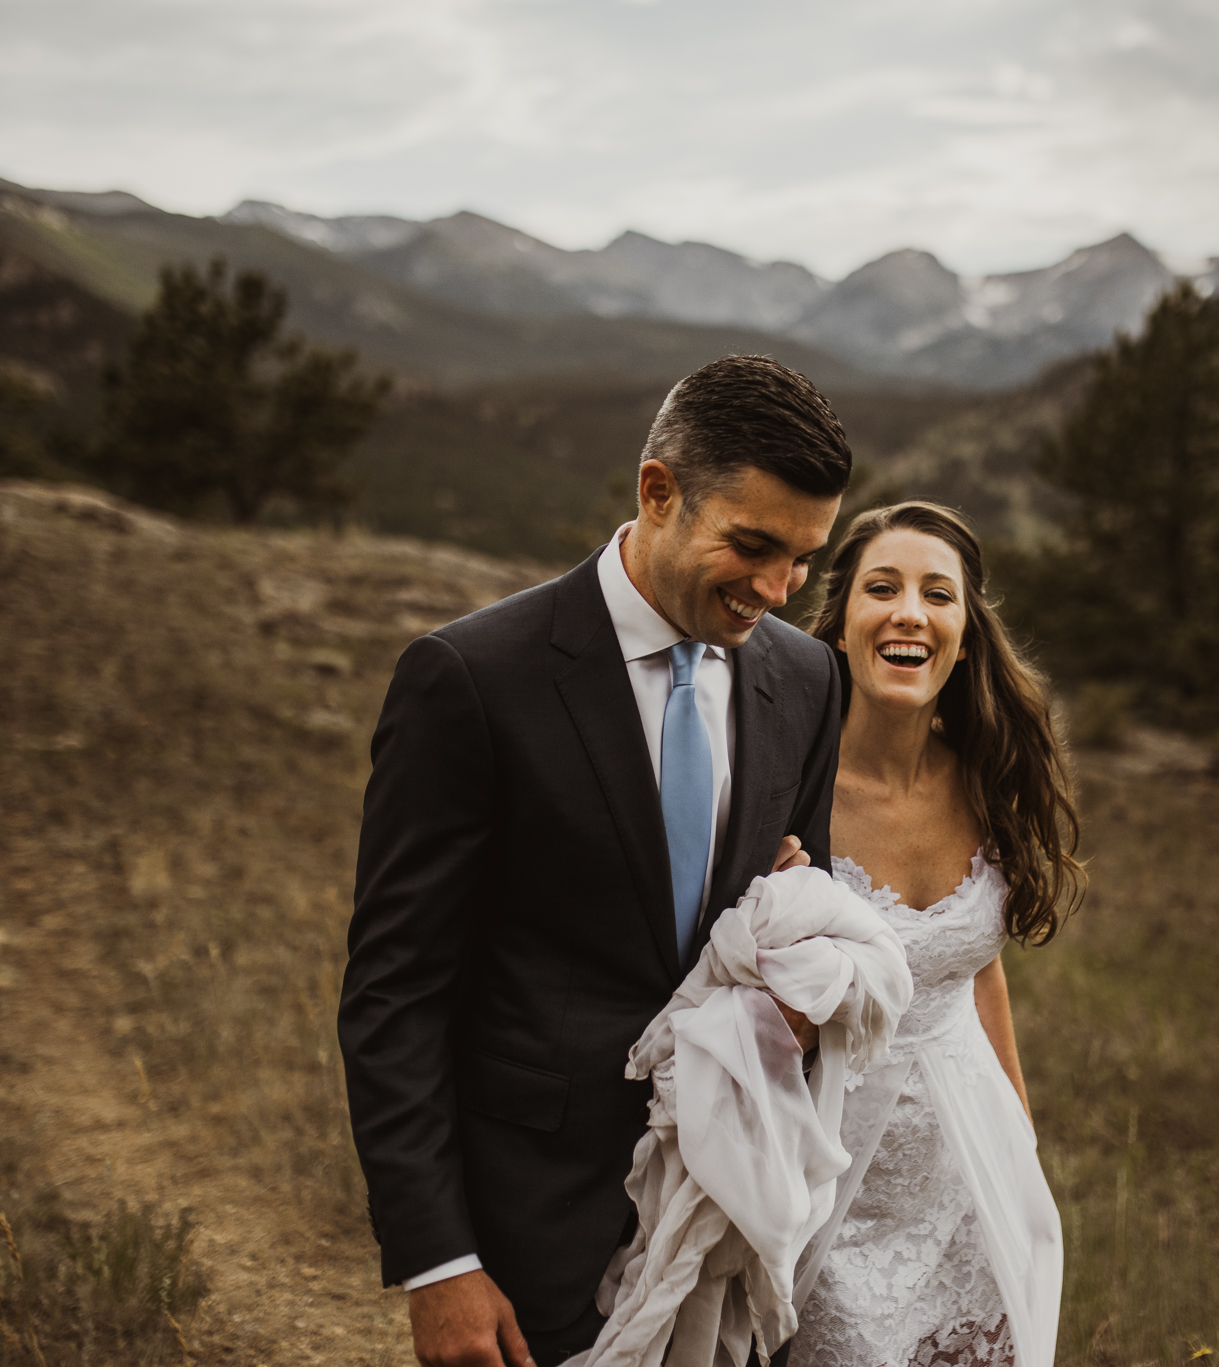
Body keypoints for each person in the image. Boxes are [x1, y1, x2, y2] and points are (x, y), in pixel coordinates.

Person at [339, 355, 853, 1367]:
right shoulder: (470, 678)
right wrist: (439, 1259)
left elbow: (809, 913)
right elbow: (394, 992)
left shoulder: (806, 679)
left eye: (802, 558)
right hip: (531, 1224)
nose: (775, 589)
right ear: (656, 491)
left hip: (730, 1216)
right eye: (751, 545)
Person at [790, 502, 1084, 1367]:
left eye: (937, 594)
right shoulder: (785, 781)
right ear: (841, 622)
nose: (909, 611)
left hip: (969, 1173)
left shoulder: (986, 773)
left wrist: (1019, 1140)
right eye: (882, 587)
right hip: (826, 1175)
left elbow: (974, 965)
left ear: (964, 630)